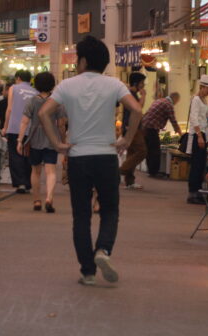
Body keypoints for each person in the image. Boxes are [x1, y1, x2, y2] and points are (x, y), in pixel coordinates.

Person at [39, 36, 142, 286]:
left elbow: (44, 113)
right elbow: (137, 110)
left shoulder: (66, 86)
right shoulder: (114, 84)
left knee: (81, 216)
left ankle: (88, 272)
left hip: (78, 157)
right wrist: (126, 139)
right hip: (106, 157)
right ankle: (103, 251)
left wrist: (57, 144)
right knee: (109, 210)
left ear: (83, 60)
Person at [18, 72, 66, 213]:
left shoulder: (32, 101)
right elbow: (61, 124)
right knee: (51, 171)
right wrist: (63, 140)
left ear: (36, 84)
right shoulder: (57, 101)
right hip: (51, 138)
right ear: (52, 84)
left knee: (36, 171)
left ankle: (37, 200)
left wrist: (20, 140)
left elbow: (24, 122)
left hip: (35, 138)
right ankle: (49, 198)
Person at [3, 71, 38, 193]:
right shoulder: (36, 92)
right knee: (27, 155)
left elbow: (10, 109)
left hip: (15, 128)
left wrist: (5, 126)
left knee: (15, 155)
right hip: (30, 129)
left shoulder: (14, 88)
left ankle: (20, 183)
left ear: (18, 78)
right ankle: (28, 183)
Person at [134, 92, 182, 179]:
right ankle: (154, 172)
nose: (176, 103)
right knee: (155, 150)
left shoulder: (160, 100)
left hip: (144, 126)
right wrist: (180, 133)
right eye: (177, 101)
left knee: (149, 150)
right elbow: (173, 120)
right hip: (151, 128)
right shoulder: (168, 104)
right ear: (175, 99)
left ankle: (151, 171)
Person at [185, 77, 208, 204]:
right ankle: (193, 193)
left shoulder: (204, 101)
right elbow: (194, 118)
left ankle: (198, 191)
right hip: (198, 135)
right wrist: (199, 136)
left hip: (204, 134)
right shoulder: (196, 99)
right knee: (196, 165)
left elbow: (205, 117)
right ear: (201, 86)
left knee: (201, 165)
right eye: (207, 88)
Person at [117, 71, 148, 189]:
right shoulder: (130, 94)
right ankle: (121, 170)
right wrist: (144, 96)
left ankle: (129, 181)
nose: (143, 85)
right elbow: (138, 108)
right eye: (142, 82)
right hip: (133, 128)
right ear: (137, 83)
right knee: (142, 151)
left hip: (131, 127)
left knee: (132, 152)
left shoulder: (130, 94)